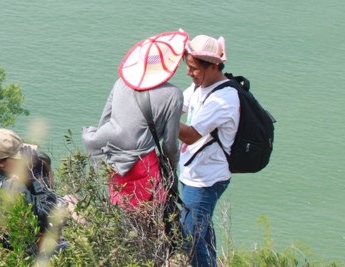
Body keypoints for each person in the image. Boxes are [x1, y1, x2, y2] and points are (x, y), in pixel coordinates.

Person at [82, 30, 187, 207]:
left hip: (113, 163)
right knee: (148, 221)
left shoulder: (120, 82)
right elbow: (169, 145)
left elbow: (104, 121)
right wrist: (171, 169)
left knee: (121, 215)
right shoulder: (173, 95)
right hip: (141, 166)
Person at [178, 35, 240, 267]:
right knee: (201, 232)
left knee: (191, 238)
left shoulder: (224, 99)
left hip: (207, 178)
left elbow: (191, 134)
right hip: (194, 172)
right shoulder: (200, 86)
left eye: (193, 68)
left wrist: (163, 119)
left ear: (213, 66)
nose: (189, 73)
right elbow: (178, 105)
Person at [0, 128, 63, 256]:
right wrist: (37, 175)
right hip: (16, 255)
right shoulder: (10, 187)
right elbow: (49, 212)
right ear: (0, 163)